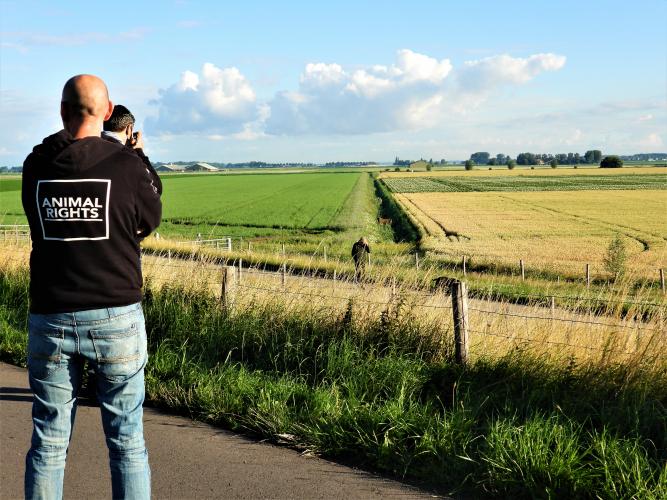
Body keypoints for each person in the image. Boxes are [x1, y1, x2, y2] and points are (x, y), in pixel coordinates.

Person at [21, 74, 161, 500]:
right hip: (117, 313)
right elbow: (149, 219)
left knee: (49, 442)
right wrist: (135, 155)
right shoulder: (126, 165)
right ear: (108, 110)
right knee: (126, 442)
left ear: (61, 111)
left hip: (52, 315)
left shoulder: (37, 165)